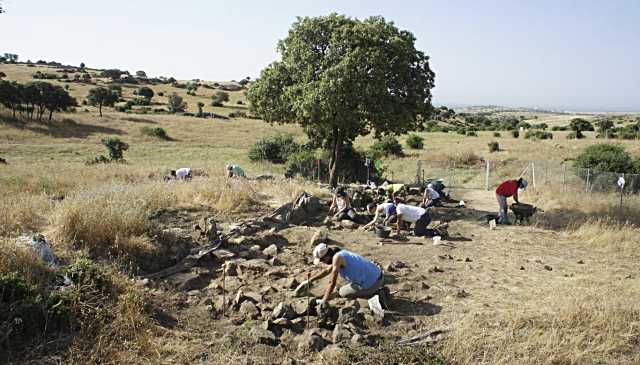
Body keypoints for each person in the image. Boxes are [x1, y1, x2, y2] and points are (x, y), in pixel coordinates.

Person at [302, 243, 384, 303]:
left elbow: (332, 283)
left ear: (327, 255)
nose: (322, 262)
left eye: (322, 260)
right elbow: (327, 271)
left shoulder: (337, 258)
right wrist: (311, 280)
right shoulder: (339, 253)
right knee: (342, 286)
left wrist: (324, 300)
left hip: (373, 283)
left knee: (342, 292)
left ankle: (372, 297)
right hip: (377, 274)